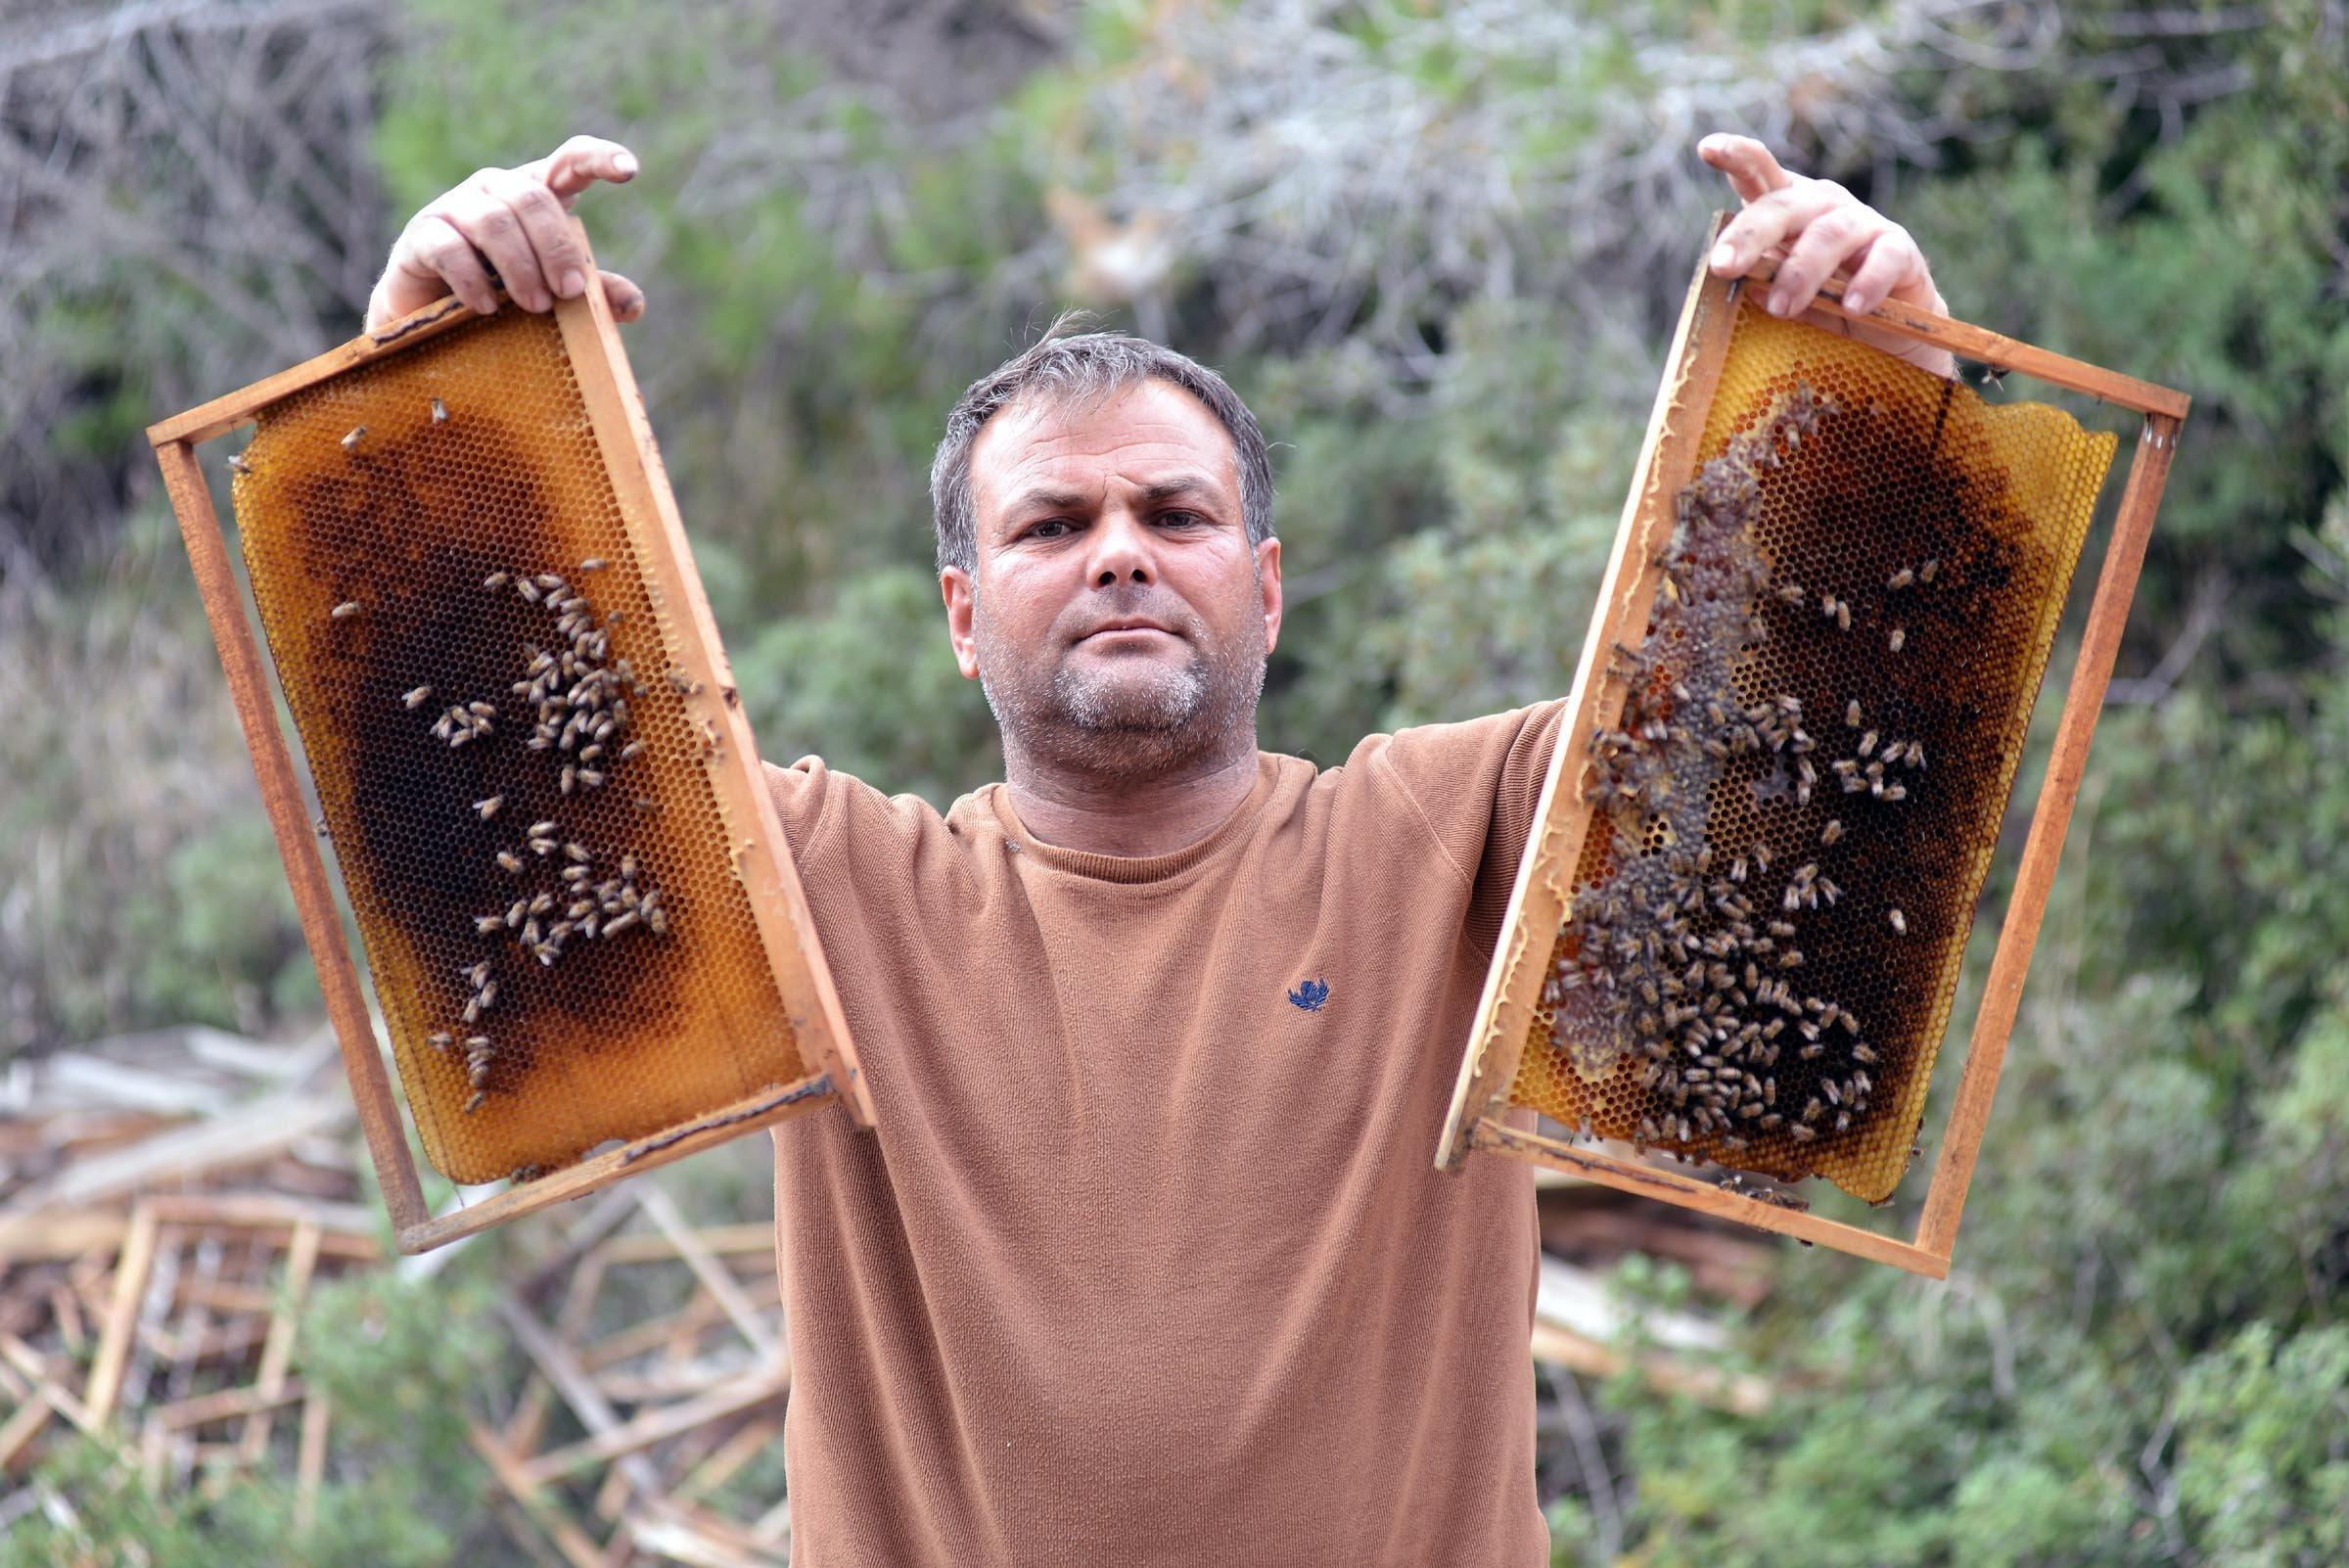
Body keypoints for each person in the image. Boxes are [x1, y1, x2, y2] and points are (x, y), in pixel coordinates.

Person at [369, 130, 1956, 1566]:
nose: (1120, 553)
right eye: (1054, 527)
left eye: (1174, 516)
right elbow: (468, 786)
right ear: (963, 616)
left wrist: (1888, 399)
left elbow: (1818, 754)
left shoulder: (1455, 836)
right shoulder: (831, 890)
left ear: (1264, 588)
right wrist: (416, 376)